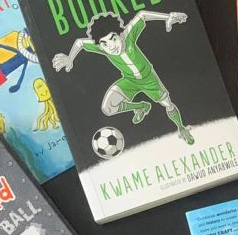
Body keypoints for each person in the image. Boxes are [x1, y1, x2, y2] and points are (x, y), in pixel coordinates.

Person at [52, 10, 194, 143]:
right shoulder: (103, 48)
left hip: (149, 80)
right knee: (108, 108)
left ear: (120, 35)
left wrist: (167, 17)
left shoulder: (128, 35)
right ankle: (141, 106)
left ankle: (181, 128)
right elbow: (80, 43)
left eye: (113, 39)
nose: (111, 46)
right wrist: (70, 58)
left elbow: (142, 15)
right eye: (105, 44)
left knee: (168, 104)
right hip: (129, 81)